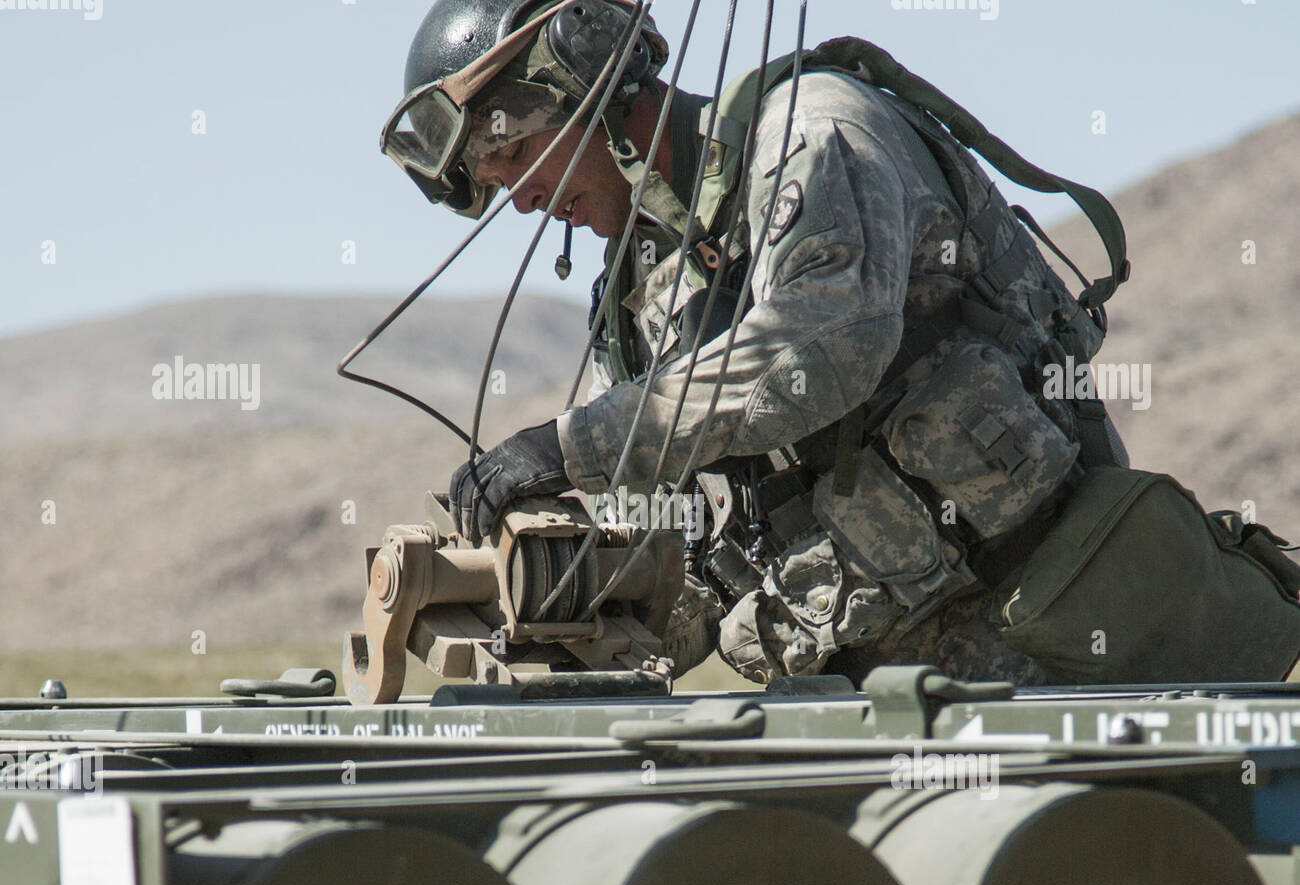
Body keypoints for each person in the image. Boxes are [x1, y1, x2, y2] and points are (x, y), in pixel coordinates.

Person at [380, 0, 1300, 687]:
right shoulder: (643, 287)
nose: (523, 200)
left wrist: (567, 446)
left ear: (579, 77)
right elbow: (706, 542)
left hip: (1060, 647)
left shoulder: (814, 130)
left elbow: (827, 343)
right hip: (868, 700)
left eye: (515, 158)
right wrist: (562, 607)